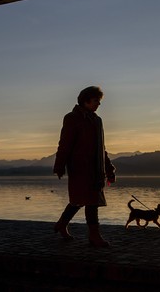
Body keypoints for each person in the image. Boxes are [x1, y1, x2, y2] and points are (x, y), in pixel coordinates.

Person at [53, 86, 116, 247]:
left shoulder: (97, 120)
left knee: (83, 201)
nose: (98, 104)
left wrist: (109, 169)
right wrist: (59, 166)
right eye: (96, 101)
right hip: (80, 168)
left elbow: (101, 148)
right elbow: (65, 144)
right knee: (86, 201)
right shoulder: (72, 118)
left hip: (96, 170)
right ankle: (94, 236)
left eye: (99, 101)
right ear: (85, 100)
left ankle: (62, 224)